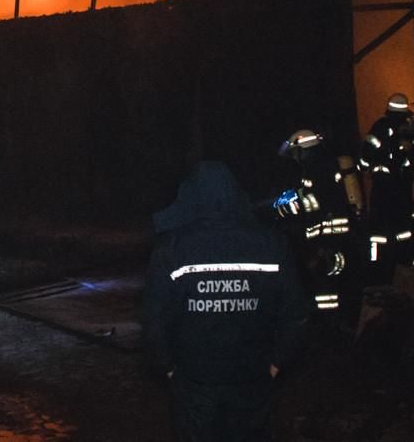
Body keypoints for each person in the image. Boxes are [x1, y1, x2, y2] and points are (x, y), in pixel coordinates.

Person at [144, 161, 309, 442]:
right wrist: (276, 363)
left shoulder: (171, 248)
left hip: (195, 382)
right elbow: (296, 314)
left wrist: (168, 368)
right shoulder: (271, 243)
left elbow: (154, 319)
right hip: (252, 379)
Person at [276, 130, 362, 317]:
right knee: (338, 286)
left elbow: (316, 203)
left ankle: (330, 324)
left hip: (329, 241)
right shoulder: (323, 166)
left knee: (327, 288)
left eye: (296, 153)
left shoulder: (317, 169)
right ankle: (339, 320)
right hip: (335, 239)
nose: (295, 158)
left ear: (303, 149)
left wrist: (287, 208)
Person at [359, 93, 414, 282]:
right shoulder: (410, 130)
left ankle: (378, 272)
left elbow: (364, 160)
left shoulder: (379, 127)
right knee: (403, 232)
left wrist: (372, 167)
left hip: (381, 191)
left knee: (379, 234)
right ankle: (405, 265)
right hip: (401, 190)